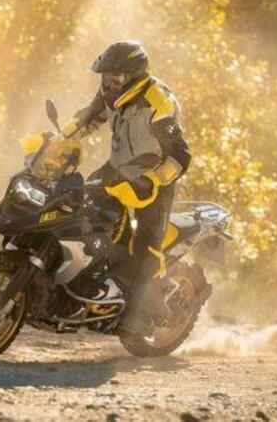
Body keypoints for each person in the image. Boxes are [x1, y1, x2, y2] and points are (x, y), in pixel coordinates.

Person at [63, 41, 191, 334]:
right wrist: (60, 138)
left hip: (155, 178)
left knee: (146, 246)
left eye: (116, 77)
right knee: (80, 208)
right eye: (106, 76)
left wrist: (154, 179)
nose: (109, 82)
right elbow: (88, 117)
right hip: (118, 168)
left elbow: (181, 156)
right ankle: (94, 283)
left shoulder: (157, 101)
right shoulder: (110, 93)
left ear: (135, 75)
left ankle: (143, 315)